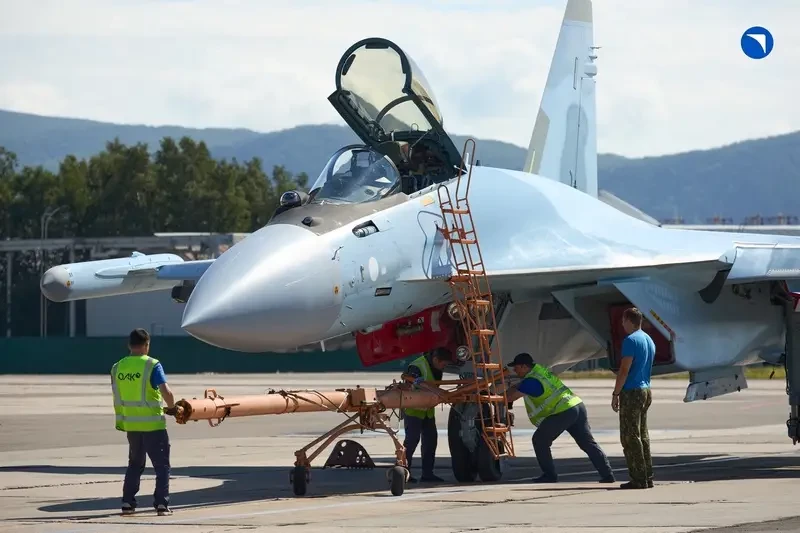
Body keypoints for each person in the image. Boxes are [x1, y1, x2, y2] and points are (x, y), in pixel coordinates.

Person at [505, 352, 615, 484]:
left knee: (540, 440)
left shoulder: (531, 381)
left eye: (516, 367)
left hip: (563, 411)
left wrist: (494, 394)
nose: (514, 370)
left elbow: (510, 397)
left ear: (524, 366)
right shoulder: (540, 372)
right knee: (587, 443)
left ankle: (549, 475)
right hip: (576, 405)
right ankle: (607, 474)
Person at [111, 328, 176, 515]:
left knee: (135, 464)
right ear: (147, 345)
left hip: (131, 424)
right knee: (162, 466)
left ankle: (127, 502)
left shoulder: (117, 367)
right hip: (153, 424)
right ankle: (161, 504)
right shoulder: (152, 365)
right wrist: (172, 407)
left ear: (129, 345)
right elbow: (166, 391)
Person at [612, 307, 656, 490]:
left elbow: (624, 370)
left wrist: (616, 393)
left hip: (632, 392)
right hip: (646, 390)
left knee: (630, 437)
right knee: (643, 435)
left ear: (629, 321)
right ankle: (647, 476)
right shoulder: (648, 339)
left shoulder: (630, 340)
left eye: (624, 321)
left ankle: (638, 478)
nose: (623, 324)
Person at [401, 347, 451, 483]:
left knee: (430, 442)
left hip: (427, 412)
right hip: (413, 411)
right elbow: (414, 383)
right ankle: (404, 472)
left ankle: (427, 474)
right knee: (411, 442)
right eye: (443, 364)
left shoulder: (436, 368)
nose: (444, 368)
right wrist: (438, 392)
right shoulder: (417, 366)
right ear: (435, 359)